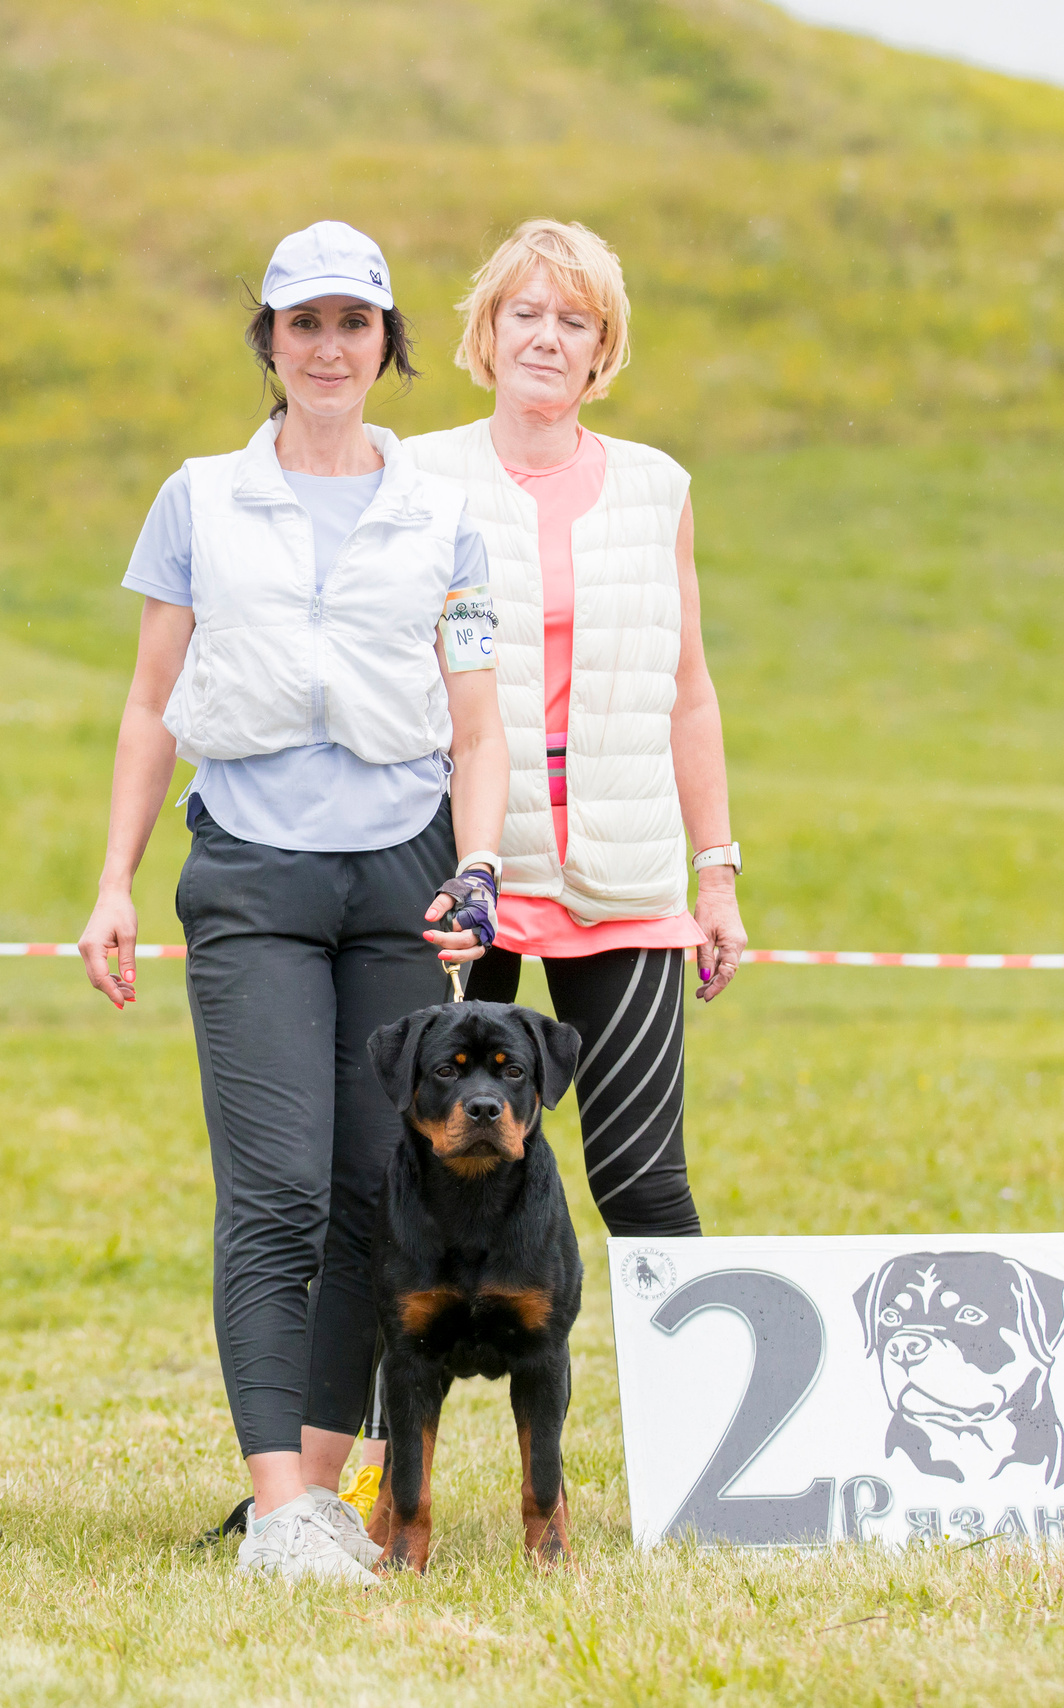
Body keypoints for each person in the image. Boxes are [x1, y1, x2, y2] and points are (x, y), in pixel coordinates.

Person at [76, 221, 507, 1584]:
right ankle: (275, 1512)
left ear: (389, 347)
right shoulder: (201, 498)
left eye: (355, 324)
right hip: (253, 867)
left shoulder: (443, 517)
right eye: (303, 323)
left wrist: (478, 870)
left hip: (400, 869)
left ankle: (323, 1493)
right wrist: (114, 885)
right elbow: (152, 704)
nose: (329, 347)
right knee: (270, 1192)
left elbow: (479, 727)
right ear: (269, 341)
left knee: (377, 1191)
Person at [403, 219, 746, 1239]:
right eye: (525, 314)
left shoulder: (657, 487)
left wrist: (715, 871)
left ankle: (684, 1405)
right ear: (487, 333)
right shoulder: (415, 476)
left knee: (645, 1183)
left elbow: (687, 689)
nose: (547, 337)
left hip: (623, 875)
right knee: (435, 1170)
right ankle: (396, 1403)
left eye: (574, 319)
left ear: (603, 347)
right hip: (462, 872)